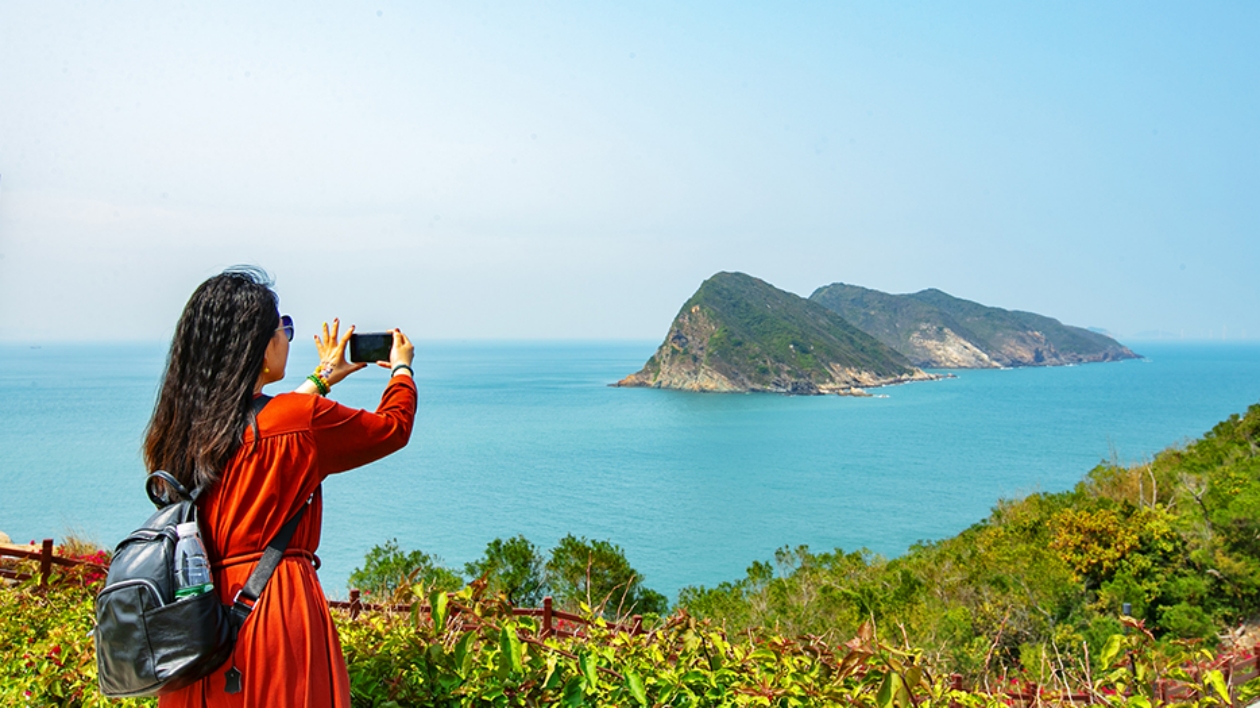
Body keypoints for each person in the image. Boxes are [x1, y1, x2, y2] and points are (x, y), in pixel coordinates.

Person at [145, 267, 417, 707]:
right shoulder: (299, 420)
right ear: (260, 343)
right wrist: (402, 370)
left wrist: (324, 376)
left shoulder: (183, 429)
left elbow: (257, 422)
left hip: (195, 620)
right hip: (273, 605)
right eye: (283, 328)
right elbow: (392, 428)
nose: (287, 338)